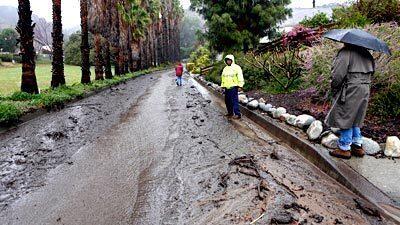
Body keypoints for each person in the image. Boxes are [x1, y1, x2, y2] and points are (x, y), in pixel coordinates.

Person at [325, 44, 375, 159]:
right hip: (365, 87)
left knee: (345, 115)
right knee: (357, 115)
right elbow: (373, 71)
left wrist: (334, 86)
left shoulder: (346, 52)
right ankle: (357, 145)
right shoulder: (366, 52)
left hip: (351, 87)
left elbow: (338, 74)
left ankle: (344, 147)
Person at [221, 55, 244, 119]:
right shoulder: (225, 68)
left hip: (233, 87)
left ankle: (237, 114)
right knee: (227, 101)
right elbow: (223, 77)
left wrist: (240, 85)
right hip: (227, 87)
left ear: (232, 60)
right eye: (227, 60)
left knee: (234, 101)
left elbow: (240, 76)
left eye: (229, 60)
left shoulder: (237, 67)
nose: (228, 61)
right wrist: (222, 86)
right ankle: (230, 113)